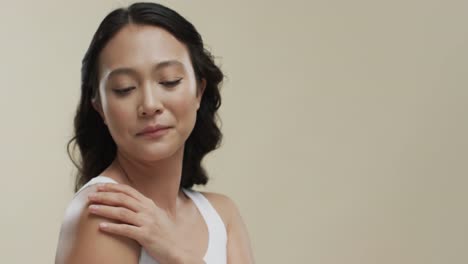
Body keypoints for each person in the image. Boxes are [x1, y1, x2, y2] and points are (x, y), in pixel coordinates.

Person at [55, 2, 254, 263]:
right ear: (100, 107)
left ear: (199, 91)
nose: (149, 105)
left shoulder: (221, 214)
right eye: (124, 88)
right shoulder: (106, 213)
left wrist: (177, 253)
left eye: (169, 81)